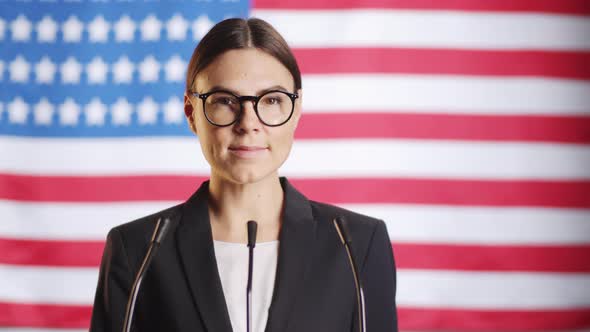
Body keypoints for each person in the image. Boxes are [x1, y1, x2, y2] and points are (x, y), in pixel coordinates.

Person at [90, 17, 398, 332]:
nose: (248, 122)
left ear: (297, 110)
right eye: (225, 101)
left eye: (272, 100)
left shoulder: (357, 245)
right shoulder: (137, 249)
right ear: (191, 113)